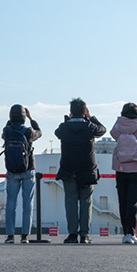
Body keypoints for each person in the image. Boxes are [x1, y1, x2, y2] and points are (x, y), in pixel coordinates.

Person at [55, 98, 106, 244]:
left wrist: (67, 120)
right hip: (87, 170)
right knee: (86, 202)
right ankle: (84, 235)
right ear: (85, 111)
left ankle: (72, 234)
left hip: (68, 169)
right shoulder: (90, 127)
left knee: (70, 202)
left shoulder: (63, 128)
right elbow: (102, 129)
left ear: (71, 111)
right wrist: (91, 117)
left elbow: (57, 132)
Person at [110, 103, 137, 244]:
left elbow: (112, 134)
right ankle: (131, 233)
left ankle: (125, 233)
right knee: (132, 203)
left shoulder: (118, 127)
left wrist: (119, 120)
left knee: (122, 202)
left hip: (121, 168)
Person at [2, 104, 42, 244]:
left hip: (11, 170)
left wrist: (10, 122)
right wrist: (31, 118)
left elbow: (5, 132)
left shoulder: (6, 131)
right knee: (27, 203)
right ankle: (25, 235)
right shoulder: (28, 131)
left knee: (11, 203)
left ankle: (10, 235)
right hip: (28, 169)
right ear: (24, 117)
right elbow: (40, 132)